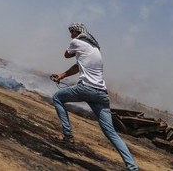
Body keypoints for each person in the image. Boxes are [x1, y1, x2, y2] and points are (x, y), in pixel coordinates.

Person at [50, 23, 138, 171]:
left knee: (57, 98)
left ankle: (68, 135)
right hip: (101, 94)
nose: (70, 35)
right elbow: (78, 66)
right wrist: (62, 75)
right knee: (111, 132)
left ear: (77, 31)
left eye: (72, 32)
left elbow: (66, 55)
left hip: (86, 88)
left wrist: (75, 48)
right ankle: (132, 167)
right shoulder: (95, 48)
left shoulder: (76, 42)